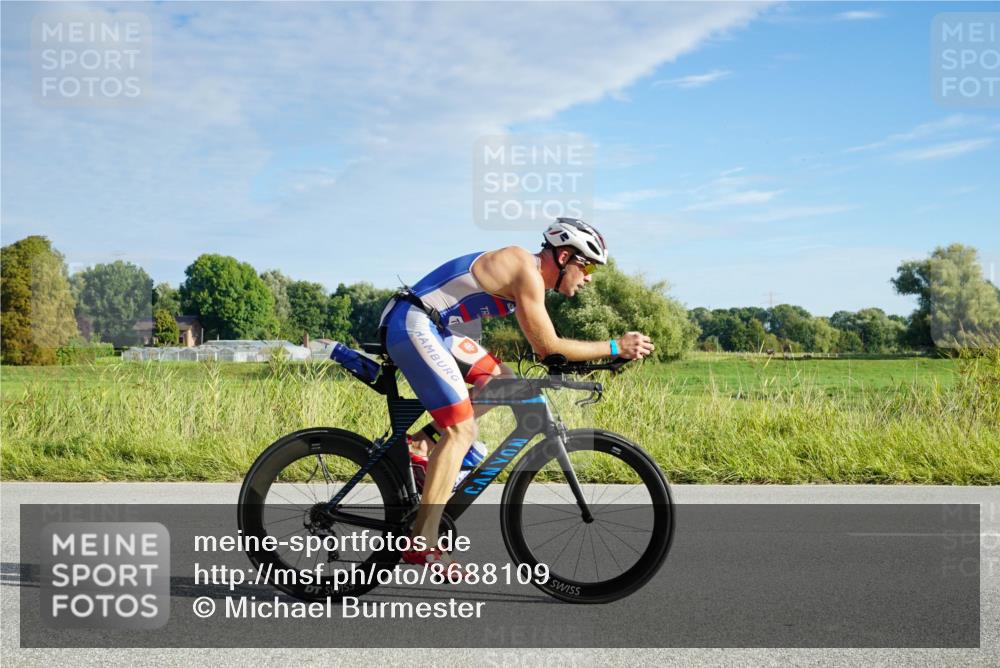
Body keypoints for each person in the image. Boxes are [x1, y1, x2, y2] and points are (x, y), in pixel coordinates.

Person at [378, 218, 654, 577]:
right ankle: (423, 540)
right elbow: (548, 347)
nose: (589, 277)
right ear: (565, 256)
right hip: (412, 322)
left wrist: (591, 361)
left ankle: (421, 445)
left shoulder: (528, 275)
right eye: (586, 266)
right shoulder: (524, 269)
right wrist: (615, 346)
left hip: (432, 324)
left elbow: (547, 351)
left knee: (501, 381)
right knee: (462, 432)